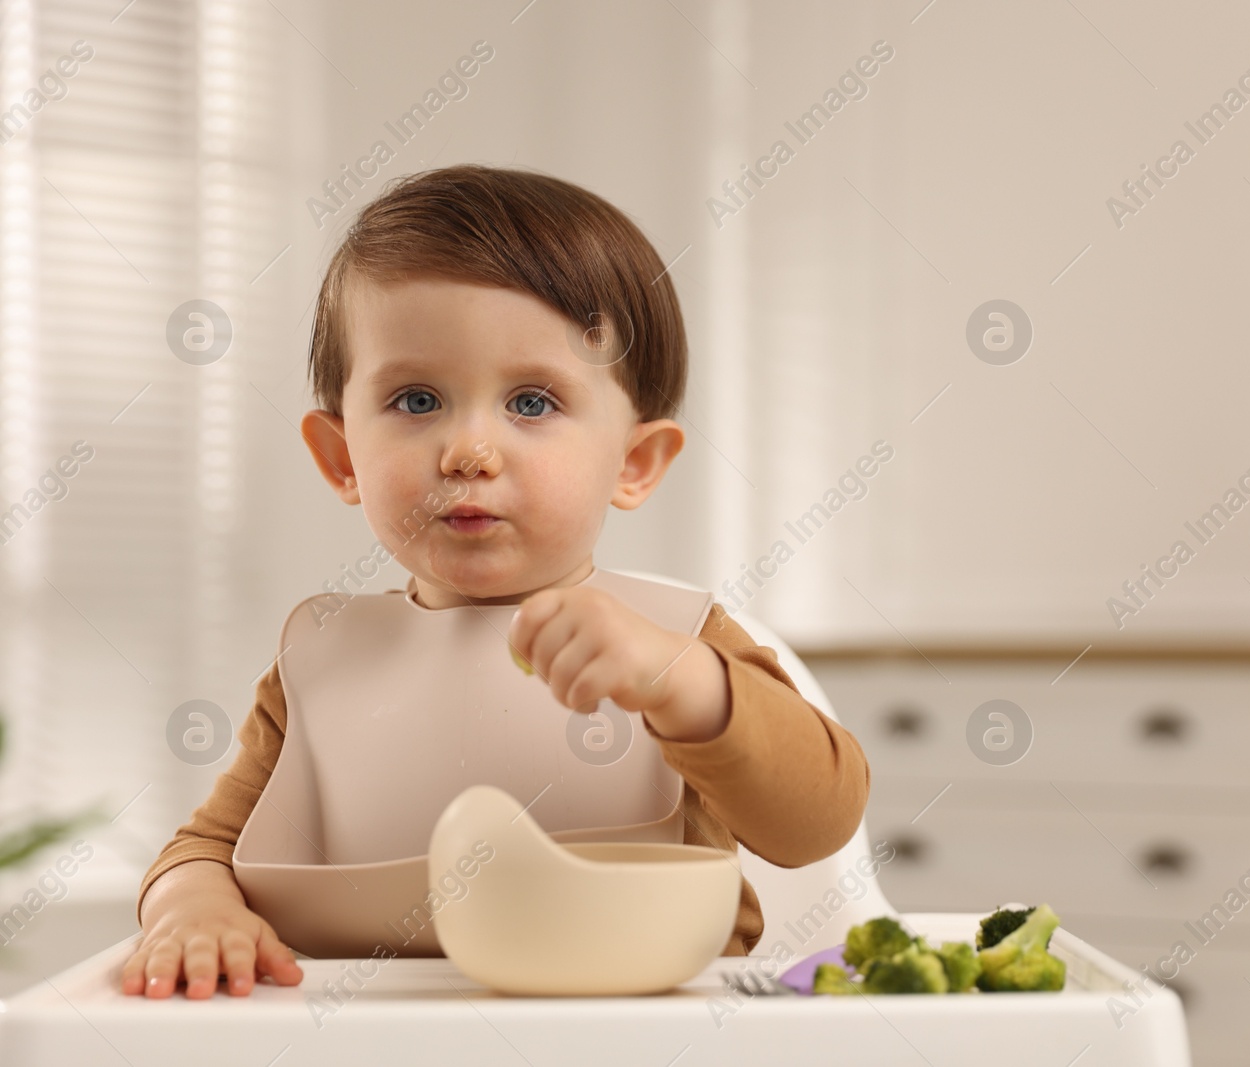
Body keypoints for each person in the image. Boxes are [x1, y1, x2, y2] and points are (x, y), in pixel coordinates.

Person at [121, 164, 871, 999]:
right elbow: (205, 848)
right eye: (415, 400)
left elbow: (818, 818)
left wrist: (681, 680)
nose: (469, 450)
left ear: (633, 460)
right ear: (342, 458)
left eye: (532, 402)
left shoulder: (680, 641)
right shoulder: (318, 663)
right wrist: (191, 906)